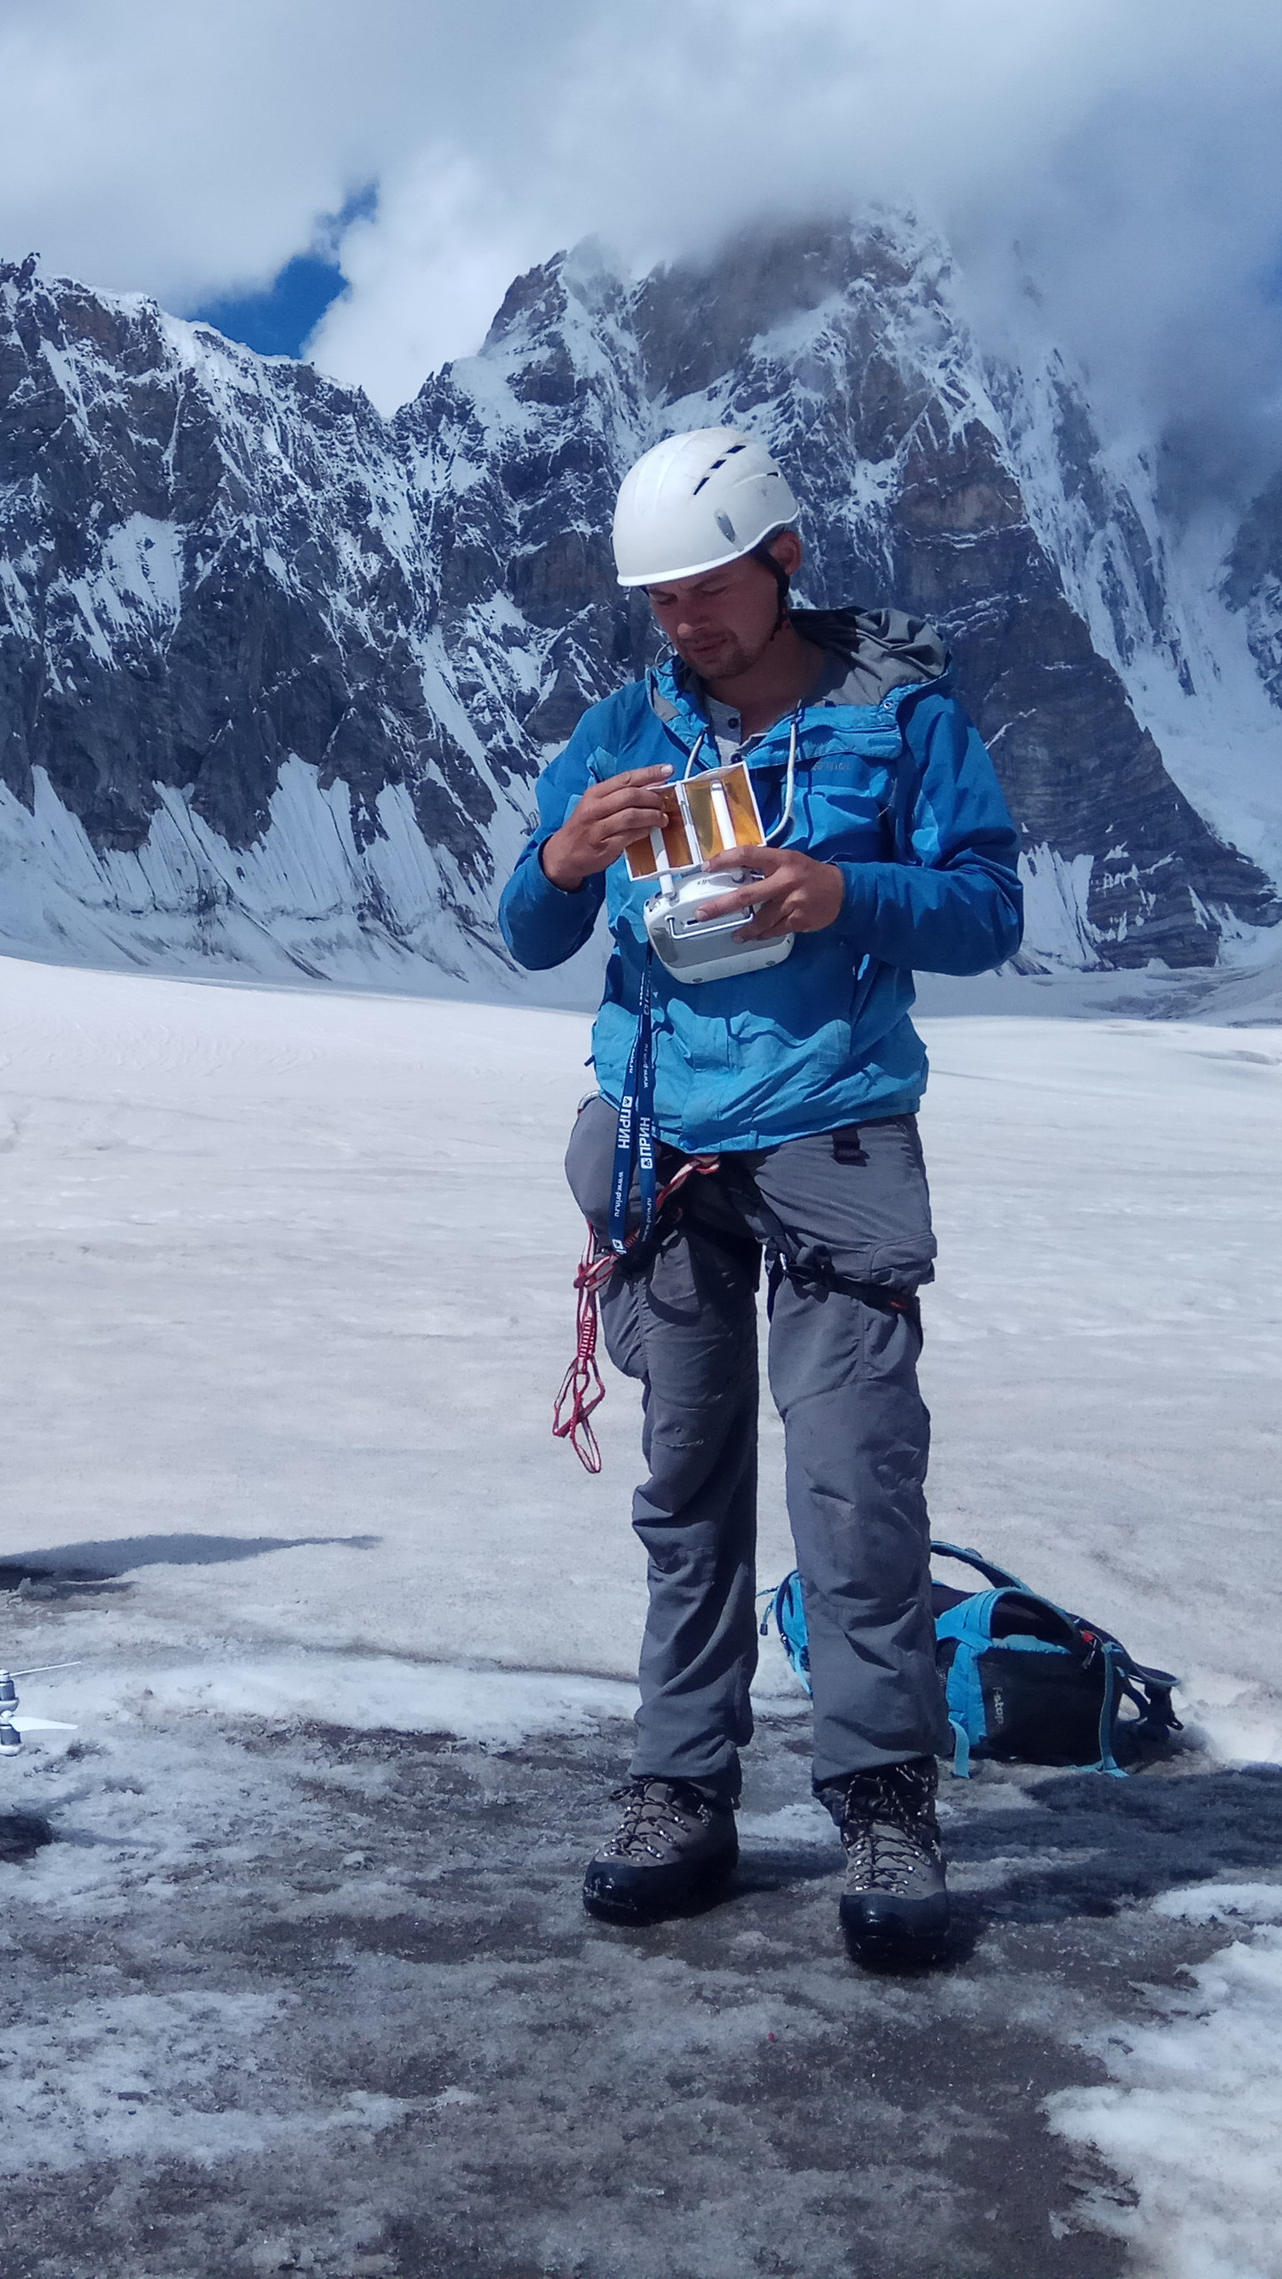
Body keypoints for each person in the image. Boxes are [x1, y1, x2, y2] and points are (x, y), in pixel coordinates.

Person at [497, 426, 1023, 1967]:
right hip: (662, 1141)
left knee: (856, 1485)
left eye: (707, 588)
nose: (683, 622)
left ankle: (883, 1800)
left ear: (783, 559)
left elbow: (988, 910)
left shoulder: (903, 720)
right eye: (659, 599)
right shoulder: (624, 728)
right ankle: (681, 1785)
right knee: (687, 1483)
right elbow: (528, 930)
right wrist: (567, 854)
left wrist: (842, 891)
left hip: (837, 1137)